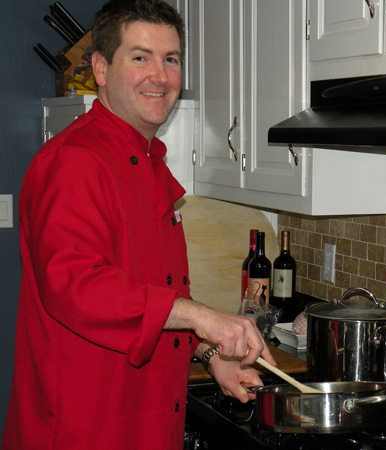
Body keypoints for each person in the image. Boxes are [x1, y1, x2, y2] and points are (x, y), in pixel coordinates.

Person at [2, 0, 275, 448]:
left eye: (172, 59)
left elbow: (153, 294)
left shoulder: (150, 164)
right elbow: (76, 286)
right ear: (100, 68)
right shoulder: (73, 162)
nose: (160, 76)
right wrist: (203, 317)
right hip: (83, 429)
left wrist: (210, 355)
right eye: (140, 57)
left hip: (145, 420)